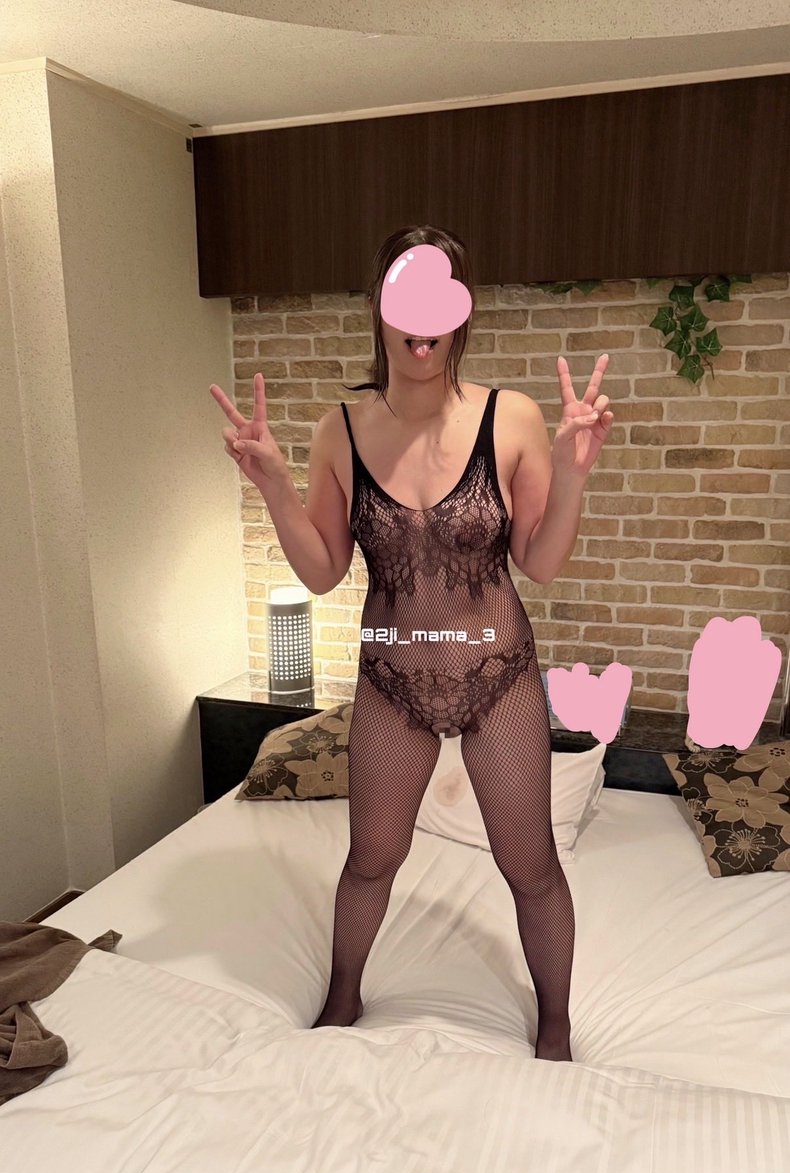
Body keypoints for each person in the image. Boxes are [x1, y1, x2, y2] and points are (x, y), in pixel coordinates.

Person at [209, 224, 613, 1062]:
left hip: (497, 676)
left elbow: (540, 563)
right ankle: (343, 995)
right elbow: (322, 572)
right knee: (371, 859)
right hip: (393, 681)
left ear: (461, 313)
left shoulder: (512, 418)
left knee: (530, 866)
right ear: (379, 308)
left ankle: (557, 1025)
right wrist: (275, 485)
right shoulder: (340, 430)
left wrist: (573, 476)